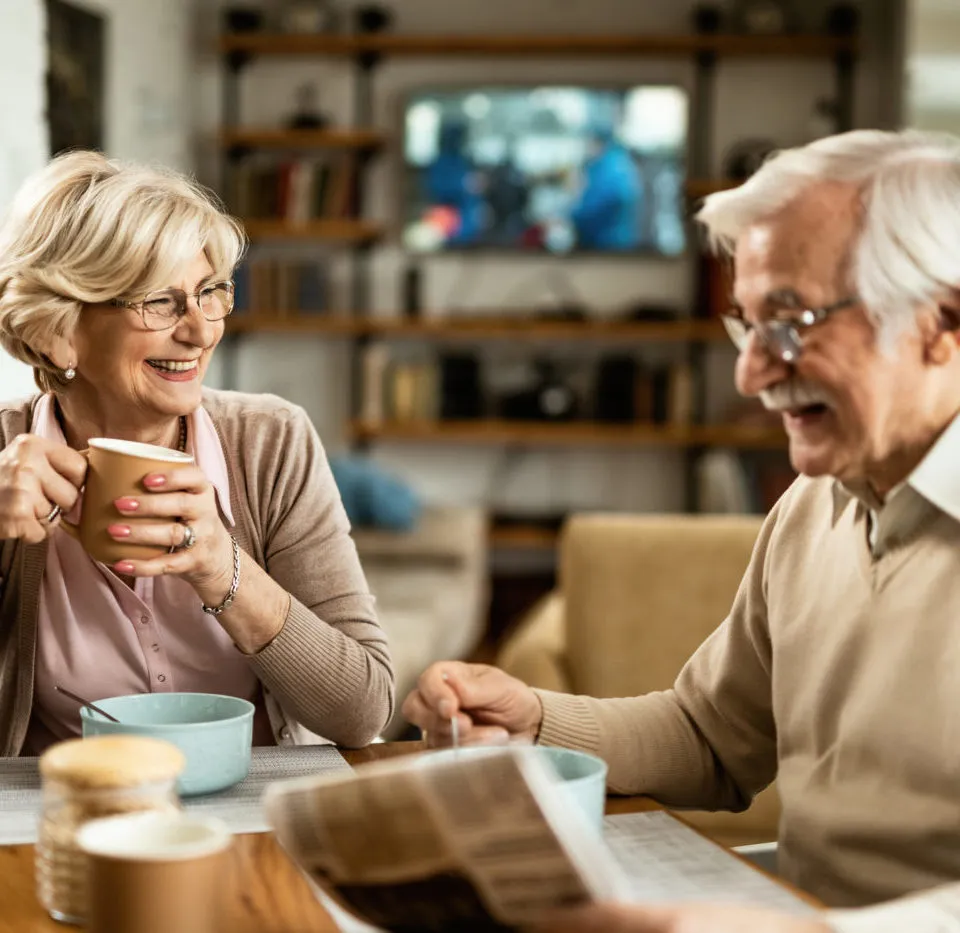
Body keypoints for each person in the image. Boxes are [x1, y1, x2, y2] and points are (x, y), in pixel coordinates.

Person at [404, 129, 960, 927]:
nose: (751, 371)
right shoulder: (814, 503)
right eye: (748, 325)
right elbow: (711, 736)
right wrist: (534, 718)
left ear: (943, 320)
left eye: (792, 320)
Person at [0, 151, 394, 757]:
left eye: (211, 292)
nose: (202, 329)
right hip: (68, 808)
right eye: (159, 302)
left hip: (254, 807)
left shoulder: (271, 441)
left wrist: (221, 565)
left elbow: (361, 712)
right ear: (57, 329)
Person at [569, 127, 642, 250]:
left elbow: (597, 205)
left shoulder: (610, 168)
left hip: (608, 242)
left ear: (598, 142)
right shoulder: (617, 162)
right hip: (617, 238)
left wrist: (571, 215)